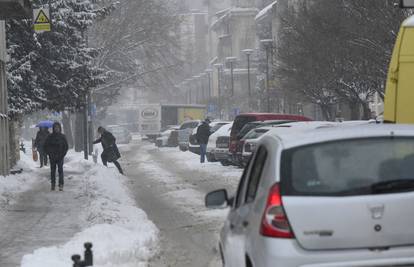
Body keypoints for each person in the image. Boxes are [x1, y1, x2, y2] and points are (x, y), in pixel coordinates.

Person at [43, 122, 69, 191]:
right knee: (53, 171)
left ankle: (61, 185)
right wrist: (50, 154)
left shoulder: (63, 137)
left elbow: (66, 147)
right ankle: (53, 184)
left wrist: (62, 154)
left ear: (60, 128)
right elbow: (45, 146)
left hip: (60, 157)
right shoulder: (50, 137)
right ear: (53, 128)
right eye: (55, 128)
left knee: (60, 171)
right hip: (52, 157)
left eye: (58, 127)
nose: (56, 129)